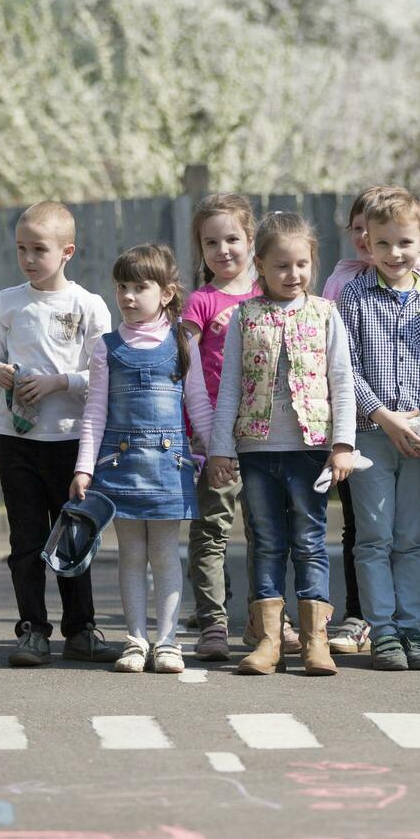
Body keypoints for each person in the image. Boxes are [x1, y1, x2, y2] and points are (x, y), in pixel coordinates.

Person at [207, 212, 357, 676]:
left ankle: (316, 640)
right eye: (281, 267)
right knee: (266, 541)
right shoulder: (244, 318)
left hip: (310, 450)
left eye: (301, 265)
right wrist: (220, 448)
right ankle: (270, 638)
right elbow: (229, 385)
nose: (293, 275)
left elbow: (342, 382)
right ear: (260, 266)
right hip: (256, 451)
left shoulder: (325, 314)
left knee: (310, 541)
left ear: (313, 262)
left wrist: (343, 444)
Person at [0, 201, 119, 667]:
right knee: (25, 541)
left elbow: (101, 373)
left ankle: (81, 630)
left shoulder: (88, 305)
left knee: (74, 538)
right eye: (21, 248)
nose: (27, 258)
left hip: (71, 442)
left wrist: (61, 381)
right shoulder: (8, 300)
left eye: (38, 249)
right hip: (16, 440)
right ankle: (32, 630)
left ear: (67, 251)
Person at [73, 244, 213, 674]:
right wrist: (83, 467)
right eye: (122, 287)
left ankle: (168, 641)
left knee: (167, 554)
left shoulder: (182, 341)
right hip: (120, 468)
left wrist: (215, 449)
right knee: (131, 555)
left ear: (167, 292)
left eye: (140, 287)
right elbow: (94, 412)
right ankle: (135, 639)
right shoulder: (105, 348)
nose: (129, 296)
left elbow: (199, 402)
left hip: (170, 469)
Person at [337, 186, 420, 671]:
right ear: (367, 242)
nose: (393, 253)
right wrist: (383, 417)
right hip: (372, 436)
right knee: (373, 537)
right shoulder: (354, 296)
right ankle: (383, 631)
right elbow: (345, 371)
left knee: (412, 537)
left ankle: (412, 627)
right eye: (382, 243)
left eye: (405, 243)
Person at [181, 193, 262, 662]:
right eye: (211, 242)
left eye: (233, 238)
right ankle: (212, 621)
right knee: (211, 529)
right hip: (215, 435)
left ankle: (262, 617)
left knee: (264, 531)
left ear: (251, 240)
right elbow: (187, 365)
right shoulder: (201, 302)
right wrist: (202, 433)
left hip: (267, 435)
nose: (223, 250)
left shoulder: (267, 295)